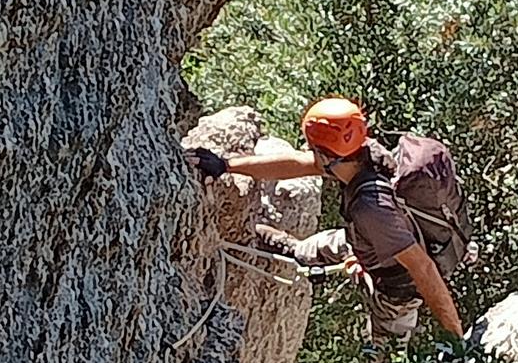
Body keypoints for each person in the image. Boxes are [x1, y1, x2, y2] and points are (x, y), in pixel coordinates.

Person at [186, 97, 464, 347]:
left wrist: (455, 339)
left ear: (323, 153)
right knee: (313, 249)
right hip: (372, 239)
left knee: (387, 353)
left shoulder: (372, 208)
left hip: (397, 284)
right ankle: (292, 250)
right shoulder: (361, 155)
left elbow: (424, 270)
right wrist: (226, 165)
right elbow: (296, 163)